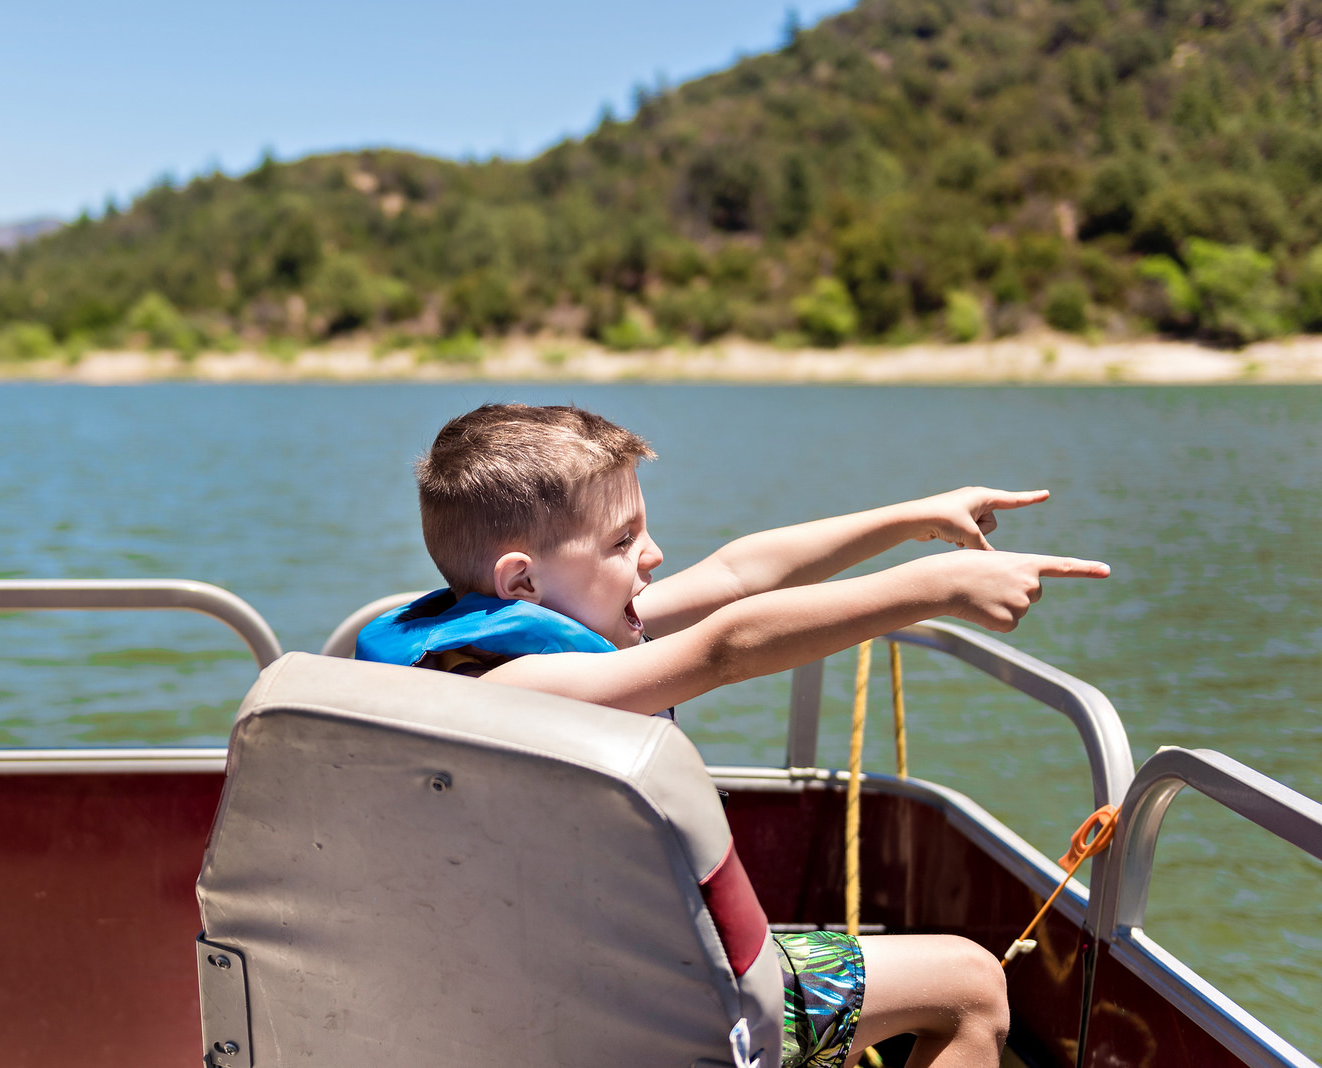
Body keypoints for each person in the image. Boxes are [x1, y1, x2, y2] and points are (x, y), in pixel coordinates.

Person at [357, 403, 1110, 1068]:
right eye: (623, 543)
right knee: (970, 985)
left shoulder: (486, 654)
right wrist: (936, 589)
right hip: (634, 1010)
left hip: (547, 975)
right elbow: (726, 646)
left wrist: (918, 518)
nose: (652, 556)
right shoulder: (515, 691)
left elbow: (739, 573)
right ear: (522, 582)